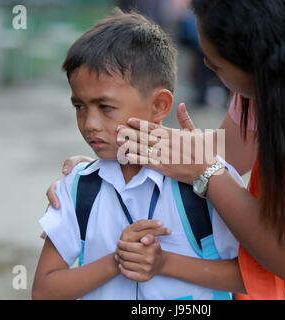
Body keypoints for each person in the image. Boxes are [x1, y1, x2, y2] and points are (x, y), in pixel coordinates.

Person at [49, 1, 285, 300]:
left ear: (266, 66)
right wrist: (106, 169)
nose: (209, 70)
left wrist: (207, 172)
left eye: (217, 67)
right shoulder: (284, 74)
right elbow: (226, 151)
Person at [32, 9, 247, 300]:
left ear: (159, 106)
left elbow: (250, 278)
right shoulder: (76, 188)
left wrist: (164, 263)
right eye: (79, 106)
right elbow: (44, 290)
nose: (89, 124)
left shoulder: (209, 182)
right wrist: (116, 261)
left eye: (105, 107)